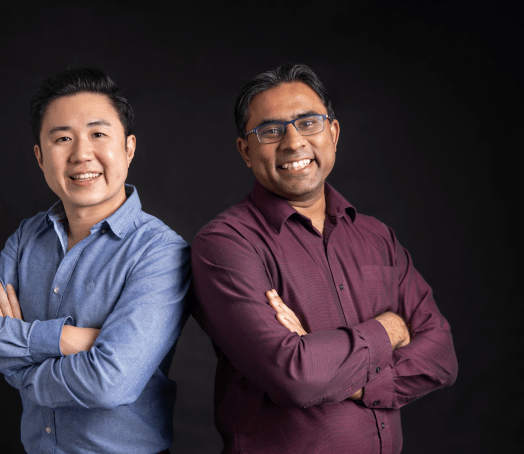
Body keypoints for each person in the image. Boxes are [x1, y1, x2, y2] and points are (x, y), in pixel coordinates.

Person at [191, 63, 458, 453]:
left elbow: (441, 356)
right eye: (271, 130)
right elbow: (295, 375)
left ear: (332, 132)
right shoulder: (226, 245)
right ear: (245, 151)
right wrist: (389, 329)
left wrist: (352, 380)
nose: (294, 142)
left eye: (308, 122)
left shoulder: (377, 236)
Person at [0, 68, 190, 454]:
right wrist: (65, 339)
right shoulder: (28, 238)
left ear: (128, 148)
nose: (80, 154)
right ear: (41, 157)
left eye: (98, 134)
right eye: (62, 139)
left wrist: (15, 364)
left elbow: (109, 382)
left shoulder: (160, 251)